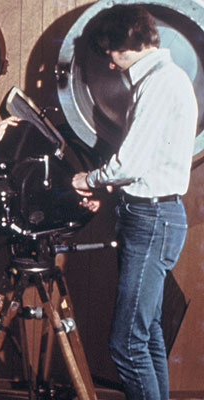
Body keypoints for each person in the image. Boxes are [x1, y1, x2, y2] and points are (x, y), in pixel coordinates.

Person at [70, 5, 197, 400]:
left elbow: (131, 163)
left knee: (126, 346)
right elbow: (146, 162)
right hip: (152, 213)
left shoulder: (159, 82)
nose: (108, 62)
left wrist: (88, 178)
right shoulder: (160, 79)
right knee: (148, 333)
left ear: (133, 41)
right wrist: (108, 185)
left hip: (151, 216)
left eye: (110, 50)